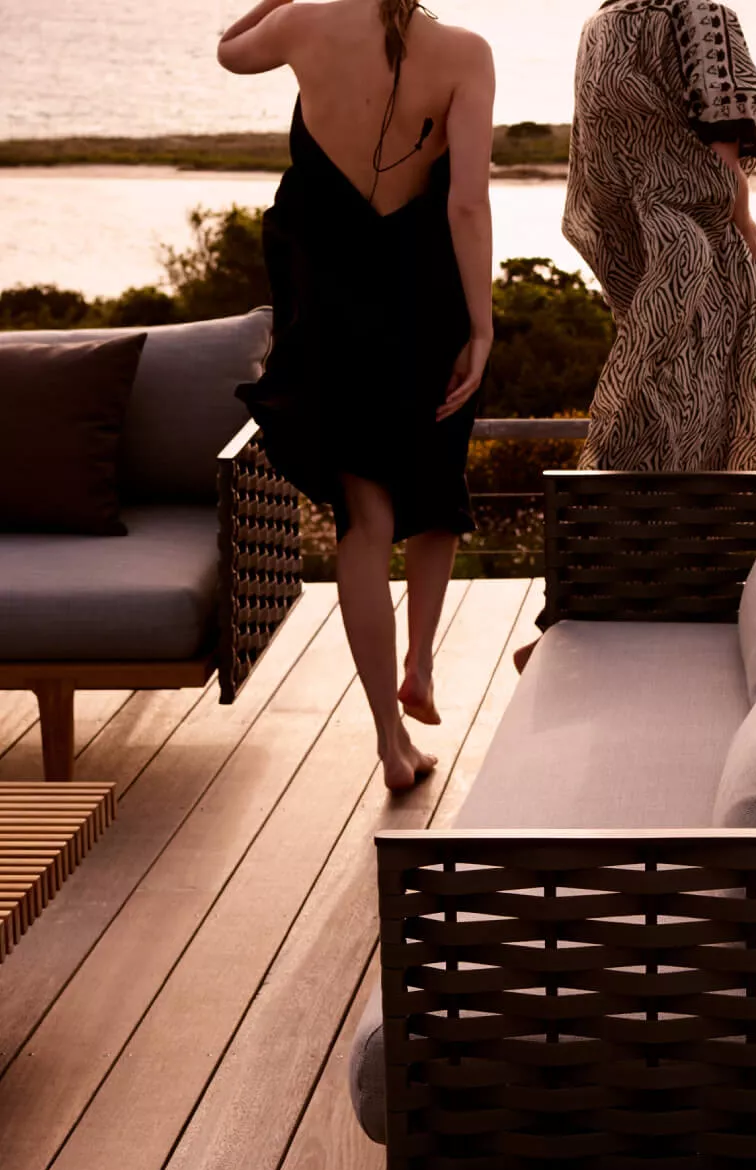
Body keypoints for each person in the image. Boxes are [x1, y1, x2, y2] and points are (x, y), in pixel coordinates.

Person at [219, 0, 495, 792]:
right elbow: (466, 202)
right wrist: (481, 326)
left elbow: (231, 53)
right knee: (437, 483)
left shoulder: (303, 27)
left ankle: (388, 737)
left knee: (364, 521)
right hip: (426, 296)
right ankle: (420, 663)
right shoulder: (466, 53)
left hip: (333, 305)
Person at [564, 1, 756, 471]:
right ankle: (698, 533)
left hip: (638, 254)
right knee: (709, 401)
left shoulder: (600, 26)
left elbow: (600, 155)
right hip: (703, 247)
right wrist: (744, 222)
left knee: (652, 396)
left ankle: (637, 525)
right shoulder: (702, 16)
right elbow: (721, 139)